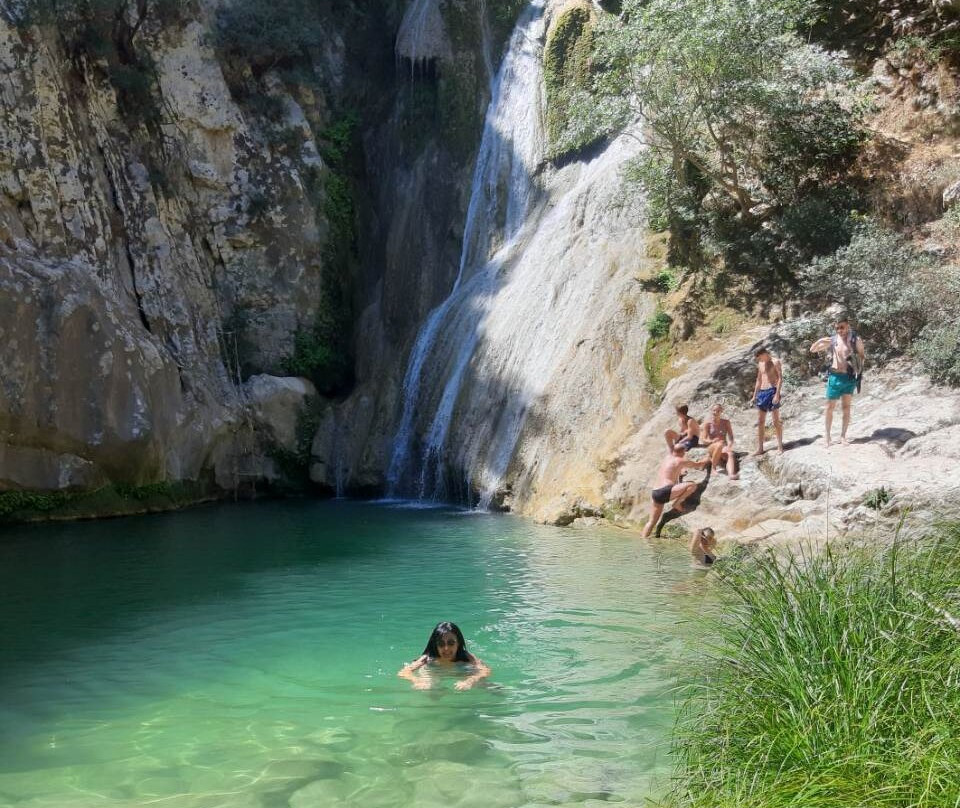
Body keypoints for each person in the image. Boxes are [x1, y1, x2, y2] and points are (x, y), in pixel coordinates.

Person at [809, 317, 866, 447]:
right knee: (829, 408)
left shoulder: (855, 339)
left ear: (848, 326)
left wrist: (857, 363)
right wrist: (820, 340)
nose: (840, 330)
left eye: (842, 327)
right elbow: (812, 349)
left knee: (846, 408)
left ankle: (843, 437)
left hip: (849, 378)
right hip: (835, 377)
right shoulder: (833, 340)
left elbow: (862, 355)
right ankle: (827, 437)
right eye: (837, 328)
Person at [397, 621, 491, 691]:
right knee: (431, 690)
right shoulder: (428, 658)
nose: (446, 648)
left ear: (458, 643)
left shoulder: (466, 656)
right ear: (435, 645)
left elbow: (485, 670)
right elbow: (403, 672)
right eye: (441, 644)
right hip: (435, 673)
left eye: (451, 643)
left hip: (461, 672)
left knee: (487, 685)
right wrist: (417, 681)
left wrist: (469, 681)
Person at [641, 444, 710, 538]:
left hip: (656, 492)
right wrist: (708, 457)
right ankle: (677, 503)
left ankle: (643, 539)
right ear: (682, 452)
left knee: (651, 522)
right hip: (665, 490)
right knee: (692, 485)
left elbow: (671, 470)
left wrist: (680, 473)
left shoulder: (667, 458)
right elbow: (698, 465)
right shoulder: (680, 460)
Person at [751, 347, 784, 456]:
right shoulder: (760, 364)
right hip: (762, 392)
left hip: (772, 391)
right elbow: (758, 379)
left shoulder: (775, 362)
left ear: (765, 354)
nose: (759, 360)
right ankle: (760, 448)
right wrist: (755, 395)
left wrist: (777, 394)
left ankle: (780, 446)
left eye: (760, 357)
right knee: (760, 422)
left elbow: (780, 378)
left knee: (775, 421)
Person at [700, 402, 738, 479]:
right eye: (714, 410)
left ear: (721, 411)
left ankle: (731, 474)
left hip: (723, 446)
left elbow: (731, 436)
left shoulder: (726, 422)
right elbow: (703, 439)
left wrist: (729, 445)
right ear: (711, 411)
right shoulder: (708, 423)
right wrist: (711, 441)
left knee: (730, 454)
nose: (715, 412)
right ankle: (713, 469)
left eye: (718, 411)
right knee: (719, 445)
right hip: (712, 446)